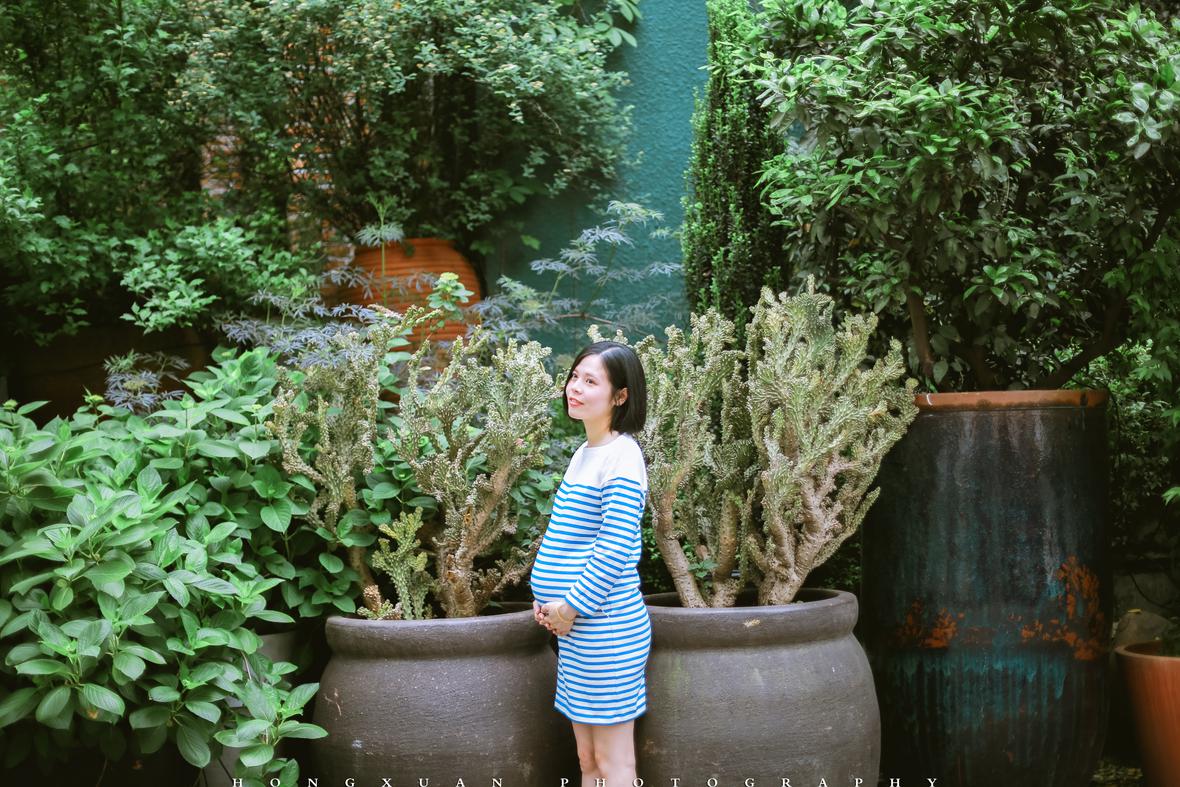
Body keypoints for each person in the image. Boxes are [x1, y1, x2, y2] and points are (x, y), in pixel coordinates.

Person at [529, 340, 651, 787]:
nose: (574, 388)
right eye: (574, 377)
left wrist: (569, 607)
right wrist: (549, 604)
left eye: (590, 381)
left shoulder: (623, 457)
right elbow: (569, 541)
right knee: (588, 762)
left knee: (613, 763)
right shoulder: (585, 453)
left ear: (620, 396)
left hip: (607, 631)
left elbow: (615, 549)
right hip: (578, 631)